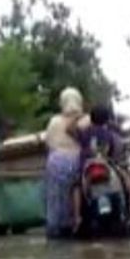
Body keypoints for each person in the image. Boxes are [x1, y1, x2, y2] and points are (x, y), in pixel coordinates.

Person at [44, 88, 84, 238]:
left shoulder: (54, 121)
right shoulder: (84, 120)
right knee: (75, 191)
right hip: (76, 160)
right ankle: (74, 222)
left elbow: (48, 143)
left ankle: (55, 227)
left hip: (55, 161)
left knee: (55, 196)